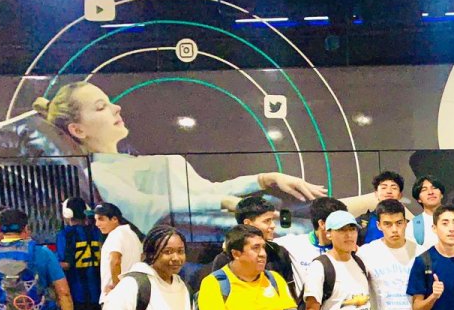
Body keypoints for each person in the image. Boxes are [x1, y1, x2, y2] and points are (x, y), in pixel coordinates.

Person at [35, 81, 325, 234]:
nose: (116, 108)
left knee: (315, 207)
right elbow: (146, 208)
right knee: (315, 218)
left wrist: (266, 178)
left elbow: (208, 190)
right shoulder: (102, 173)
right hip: (215, 222)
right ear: (77, 129)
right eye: (101, 107)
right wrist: (221, 202)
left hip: (223, 211)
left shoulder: (132, 162)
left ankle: (364, 204)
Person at [212, 195, 299, 302]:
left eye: (272, 220)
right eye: (267, 221)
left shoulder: (279, 253)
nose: (273, 226)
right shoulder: (224, 259)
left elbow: (291, 295)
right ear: (248, 224)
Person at [275, 197, 347, 294]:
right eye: (339, 223)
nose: (344, 229)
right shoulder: (293, 244)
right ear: (322, 224)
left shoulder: (349, 249)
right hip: (307, 306)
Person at [56, 196, 102, 310]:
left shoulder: (66, 234)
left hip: (77, 294)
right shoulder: (96, 231)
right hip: (99, 293)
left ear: (67, 214)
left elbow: (66, 263)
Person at [96, 202, 143, 300]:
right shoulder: (133, 235)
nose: (97, 224)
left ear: (114, 219)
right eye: (96, 220)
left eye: (101, 219)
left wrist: (117, 290)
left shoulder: (115, 235)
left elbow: (115, 261)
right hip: (134, 294)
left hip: (116, 299)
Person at [406, 175, 445, 249]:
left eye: (434, 188)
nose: (430, 192)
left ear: (441, 194)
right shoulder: (412, 227)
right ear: (418, 199)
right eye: (424, 190)